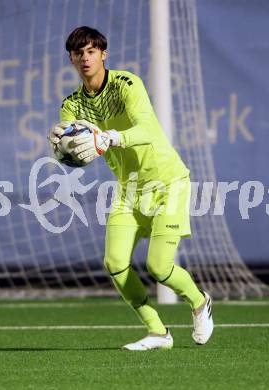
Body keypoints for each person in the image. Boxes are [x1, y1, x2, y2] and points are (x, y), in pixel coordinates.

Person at [49, 26, 213, 350]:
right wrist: (66, 152)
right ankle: (158, 332)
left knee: (158, 266)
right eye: (79, 52)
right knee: (115, 263)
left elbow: (148, 129)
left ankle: (199, 302)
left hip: (167, 181)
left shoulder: (126, 84)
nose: (85, 57)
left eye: (91, 51)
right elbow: (76, 151)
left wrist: (112, 137)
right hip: (130, 189)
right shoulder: (71, 106)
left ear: (103, 54)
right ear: (70, 58)